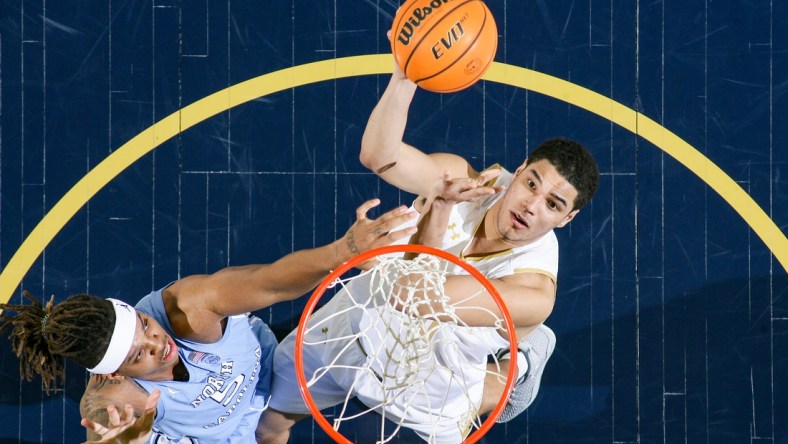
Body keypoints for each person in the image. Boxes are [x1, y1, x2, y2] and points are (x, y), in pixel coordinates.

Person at [257, 61, 600, 443]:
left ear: (567, 219)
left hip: (431, 385)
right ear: (518, 171)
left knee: (482, 387)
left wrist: (436, 209)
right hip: (352, 328)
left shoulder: (532, 295)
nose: (531, 205)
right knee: (268, 423)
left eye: (553, 205)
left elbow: (410, 295)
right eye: (531, 183)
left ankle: (521, 363)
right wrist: (404, 76)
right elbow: (377, 155)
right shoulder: (461, 177)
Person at [0, 199, 418, 444]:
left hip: (270, 376)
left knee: (374, 345)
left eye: (145, 325)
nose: (155, 343)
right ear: (114, 373)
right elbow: (101, 421)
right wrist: (118, 437)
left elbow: (268, 283)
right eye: (138, 355)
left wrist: (343, 249)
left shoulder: (185, 310)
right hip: (221, 438)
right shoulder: (114, 395)